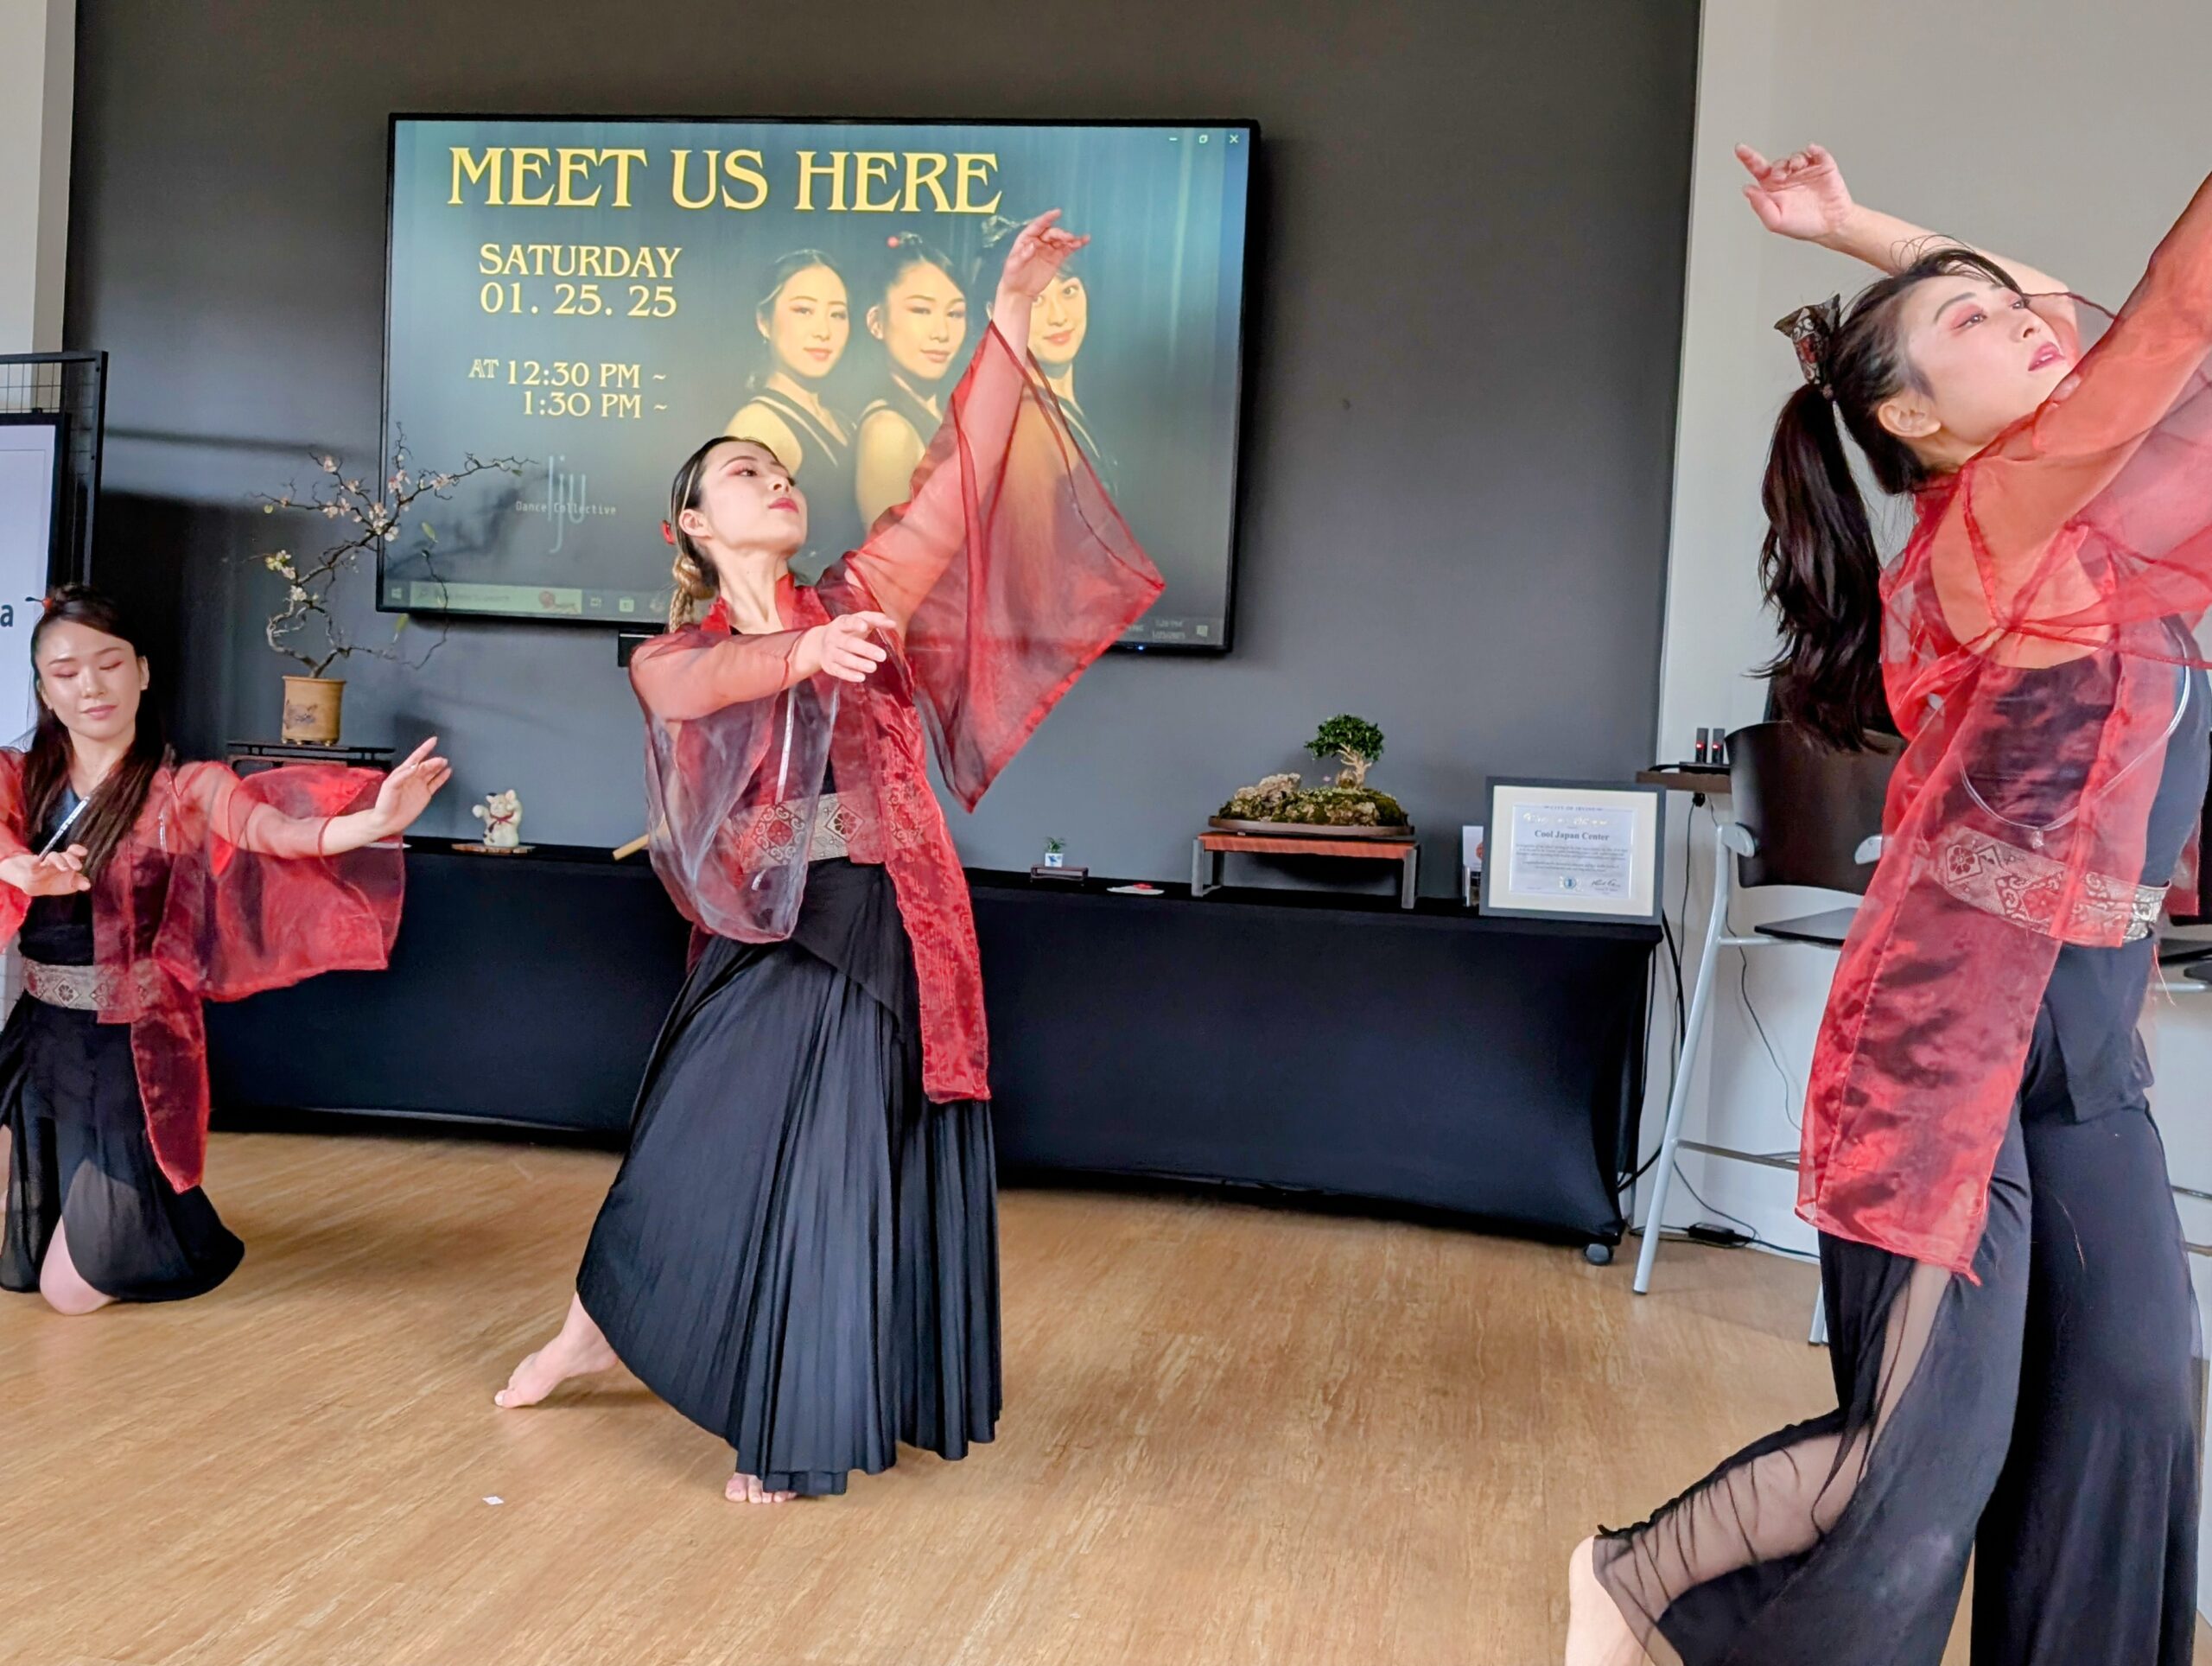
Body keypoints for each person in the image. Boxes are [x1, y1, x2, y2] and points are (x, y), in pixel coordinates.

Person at [1567, 143, 2212, 1666]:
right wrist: (1917, 274)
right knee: (1921, 1456)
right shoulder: (1997, 528)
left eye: (2013, 308)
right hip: (1947, 1030)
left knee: (2130, 1400)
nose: (2033, 319)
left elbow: (2076, 315)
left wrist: (1859, 228)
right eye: (1971, 324)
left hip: (2085, 1029)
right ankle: (1636, 1579)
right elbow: (2162, 328)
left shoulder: (2104, 525)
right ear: (1912, 420)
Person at [493, 211, 1162, 1504]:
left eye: (783, 471)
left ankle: (791, 1416)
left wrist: (1010, 315)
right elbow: (708, 688)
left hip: (876, 913)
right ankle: (597, 1326)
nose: (775, 481)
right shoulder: (672, 654)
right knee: (692, 1146)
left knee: (828, 1158)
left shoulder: (863, 596)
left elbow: (959, 475)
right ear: (693, 525)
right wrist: (802, 651)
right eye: (745, 472)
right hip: (762, 929)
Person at [0, 585, 448, 1312]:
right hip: (37, 1035)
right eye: (66, 672)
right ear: (46, 692)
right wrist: (18, 867)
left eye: (109, 665)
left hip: (126, 1050)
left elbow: (279, 833)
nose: (91, 687)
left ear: (143, 672)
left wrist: (370, 824)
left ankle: (170, 1235)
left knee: (67, 1294)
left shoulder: (187, 788)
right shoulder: (20, 778)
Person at [725, 249, 863, 580]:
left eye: (838, 314)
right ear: (764, 321)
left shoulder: (844, 422)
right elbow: (737, 562)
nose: (823, 331)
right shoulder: (758, 426)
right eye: (803, 310)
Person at [853, 232, 969, 530]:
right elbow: (885, 555)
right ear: (876, 322)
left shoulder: (947, 412)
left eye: (955, 314)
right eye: (921, 310)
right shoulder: (888, 433)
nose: (941, 332)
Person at [1027, 257, 1114, 483]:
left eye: (1068, 291)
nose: (1059, 317)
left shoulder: (1085, 399)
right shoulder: (1025, 422)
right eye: (1035, 300)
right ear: (994, 311)